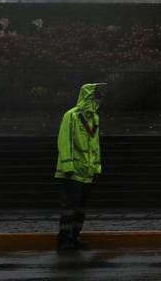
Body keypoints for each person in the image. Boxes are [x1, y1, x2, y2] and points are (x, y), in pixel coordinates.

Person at [53, 82, 105, 252]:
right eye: (96, 97)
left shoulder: (94, 118)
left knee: (80, 208)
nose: (99, 100)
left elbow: (95, 145)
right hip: (72, 172)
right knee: (69, 208)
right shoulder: (72, 116)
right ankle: (64, 241)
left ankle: (75, 237)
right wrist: (68, 166)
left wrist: (96, 169)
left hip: (86, 172)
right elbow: (64, 141)